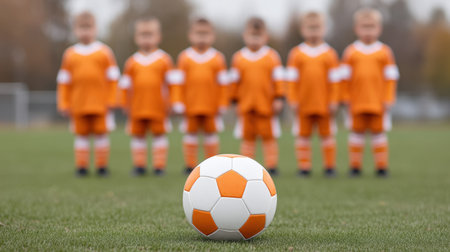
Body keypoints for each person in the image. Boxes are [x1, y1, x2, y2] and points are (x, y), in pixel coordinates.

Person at [57, 11, 119, 177]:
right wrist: (63, 103)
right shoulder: (70, 54)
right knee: (81, 135)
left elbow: (113, 78)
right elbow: (64, 81)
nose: (85, 32)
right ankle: (82, 167)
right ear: (75, 30)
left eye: (88, 27)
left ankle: (102, 167)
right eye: (81, 28)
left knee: (101, 134)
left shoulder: (105, 52)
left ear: (95, 29)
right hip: (78, 104)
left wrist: (113, 99)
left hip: (101, 104)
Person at [340, 8, 399, 177]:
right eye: (364, 27)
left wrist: (388, 97)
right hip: (356, 102)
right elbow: (344, 79)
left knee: (378, 134)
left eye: (371, 26)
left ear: (379, 28)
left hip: (378, 102)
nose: (368, 31)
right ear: (356, 29)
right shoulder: (350, 52)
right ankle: (355, 167)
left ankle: (381, 167)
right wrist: (345, 97)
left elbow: (391, 78)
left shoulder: (385, 52)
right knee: (356, 133)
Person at [118, 17, 178, 176]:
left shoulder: (164, 60)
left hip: (158, 107)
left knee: (159, 135)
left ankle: (159, 167)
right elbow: (125, 85)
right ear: (136, 38)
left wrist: (173, 102)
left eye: (150, 34)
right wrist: (124, 103)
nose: (146, 39)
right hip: (137, 107)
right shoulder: (131, 62)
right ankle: (140, 166)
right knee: (138, 136)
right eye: (143, 35)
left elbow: (173, 84)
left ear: (158, 37)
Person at [286, 12, 341, 177]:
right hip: (303, 104)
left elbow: (335, 81)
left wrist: (334, 100)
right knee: (303, 136)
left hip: (324, 104)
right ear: (303, 30)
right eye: (310, 28)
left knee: (327, 135)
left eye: (317, 28)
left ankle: (329, 167)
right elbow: (291, 80)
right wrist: (293, 99)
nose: (313, 32)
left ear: (323, 29)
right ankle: (304, 168)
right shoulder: (296, 54)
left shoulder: (330, 54)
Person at [172, 18, 229, 174]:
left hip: (211, 105)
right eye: (198, 33)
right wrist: (177, 101)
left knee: (211, 134)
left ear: (213, 36)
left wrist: (223, 102)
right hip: (190, 105)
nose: (202, 38)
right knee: (190, 134)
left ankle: (212, 164)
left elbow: (223, 84)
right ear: (190, 35)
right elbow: (178, 82)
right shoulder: (184, 57)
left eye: (206, 34)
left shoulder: (218, 58)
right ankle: (190, 165)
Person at [229, 17, 285, 175]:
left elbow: (279, 79)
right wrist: (234, 101)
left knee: (268, 136)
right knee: (247, 137)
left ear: (265, 37)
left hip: (266, 105)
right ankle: (247, 167)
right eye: (251, 35)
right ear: (244, 36)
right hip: (246, 105)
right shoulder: (238, 57)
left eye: (258, 36)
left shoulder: (272, 56)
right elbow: (234, 82)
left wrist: (279, 98)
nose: (255, 40)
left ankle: (272, 166)